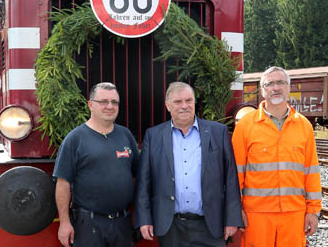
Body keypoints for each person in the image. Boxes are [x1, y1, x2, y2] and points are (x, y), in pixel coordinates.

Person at [134, 81, 243, 247]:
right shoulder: (153, 136)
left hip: (210, 225)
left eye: (188, 100)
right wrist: (144, 219)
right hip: (171, 227)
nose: (184, 106)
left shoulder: (217, 132)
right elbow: (144, 182)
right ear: (167, 105)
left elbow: (230, 178)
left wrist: (232, 219)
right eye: (178, 102)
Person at [232, 66, 322, 247]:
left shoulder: (304, 126)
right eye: (270, 83)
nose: (276, 87)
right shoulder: (245, 126)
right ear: (262, 90)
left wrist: (312, 211)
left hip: (293, 214)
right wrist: (235, 209)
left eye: (281, 82)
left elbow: (311, 172)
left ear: (289, 88)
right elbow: (235, 173)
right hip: (256, 215)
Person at [53, 82, 139, 247]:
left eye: (114, 102)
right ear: (90, 105)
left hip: (122, 223)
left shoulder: (125, 135)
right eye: (103, 102)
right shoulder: (75, 139)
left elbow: (138, 176)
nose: (110, 106)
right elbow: (63, 183)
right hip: (88, 225)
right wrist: (64, 223)